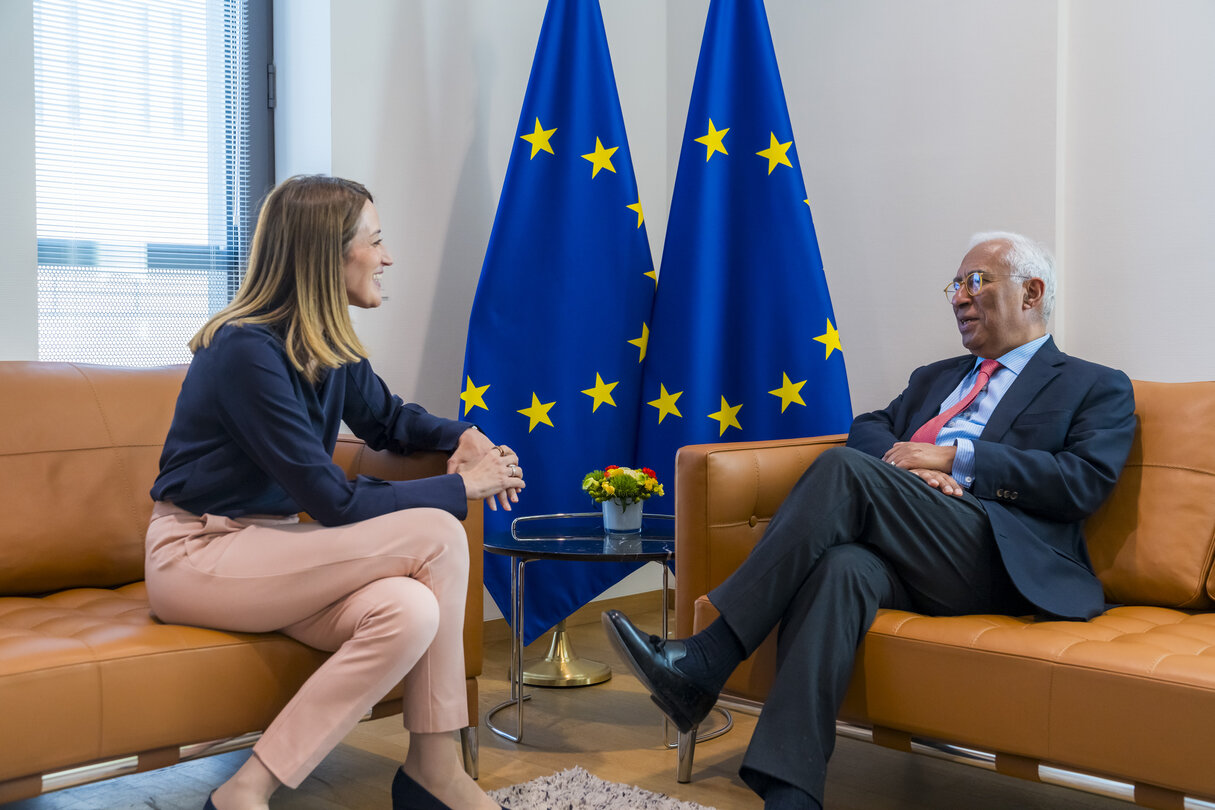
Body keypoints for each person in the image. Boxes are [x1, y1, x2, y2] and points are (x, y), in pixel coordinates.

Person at [603, 232, 1136, 810]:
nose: (959, 298)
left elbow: (1082, 482)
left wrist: (955, 458)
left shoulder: (1094, 385)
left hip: (1003, 557)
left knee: (843, 472)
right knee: (842, 567)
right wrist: (909, 475)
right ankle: (791, 792)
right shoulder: (938, 376)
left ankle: (709, 657)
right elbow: (870, 427)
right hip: (920, 542)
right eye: (955, 286)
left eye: (975, 282)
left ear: (1031, 293)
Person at [146, 175, 521, 810]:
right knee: (438, 531)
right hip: (196, 553)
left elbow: (392, 421)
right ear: (328, 255)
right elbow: (332, 502)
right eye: (375, 242)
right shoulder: (245, 351)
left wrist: (467, 434)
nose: (387, 257)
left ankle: (255, 788)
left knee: (410, 608)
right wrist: (461, 487)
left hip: (271, 549)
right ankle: (438, 769)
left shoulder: (324, 346)